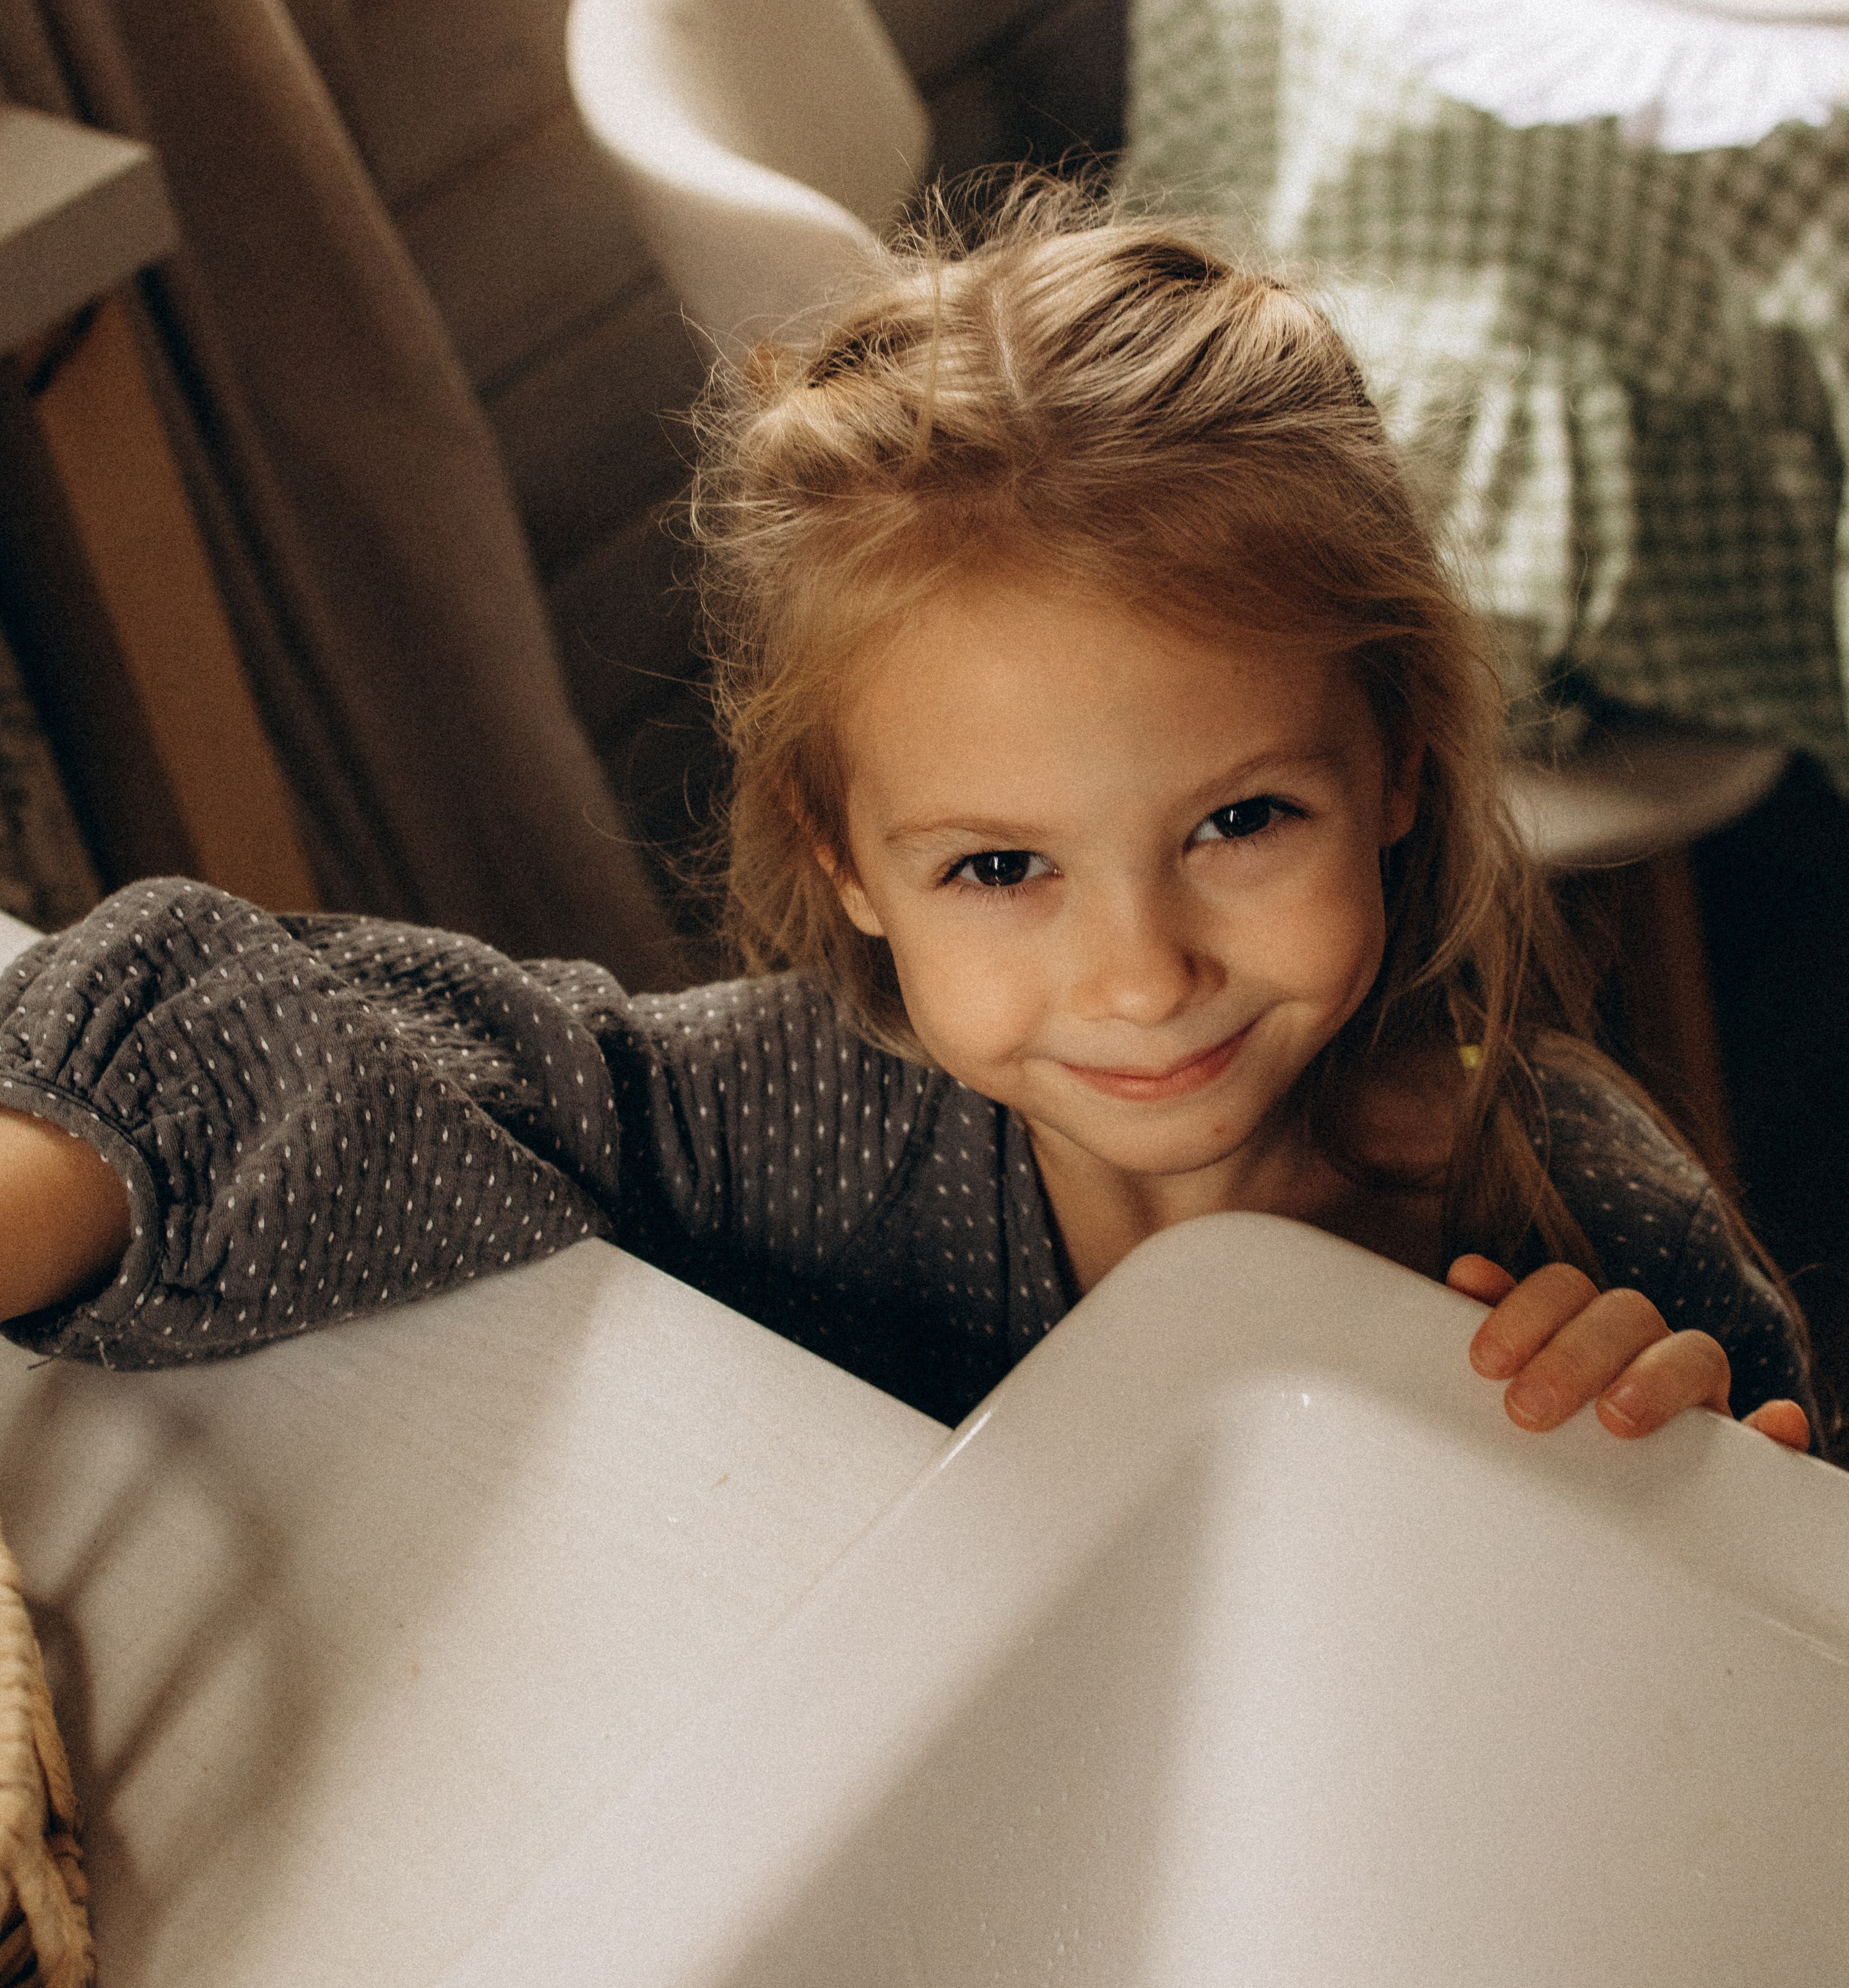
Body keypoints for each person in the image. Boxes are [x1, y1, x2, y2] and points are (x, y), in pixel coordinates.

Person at [0, 204, 1820, 1451]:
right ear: (847, 859)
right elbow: (366, 1053)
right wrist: (61, 1179)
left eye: (1240, 819)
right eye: (999, 866)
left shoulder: (1571, 1200)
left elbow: (1765, 1612)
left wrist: (1665, 1459)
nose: (1138, 974)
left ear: (1401, 767)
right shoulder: (812, 1119)